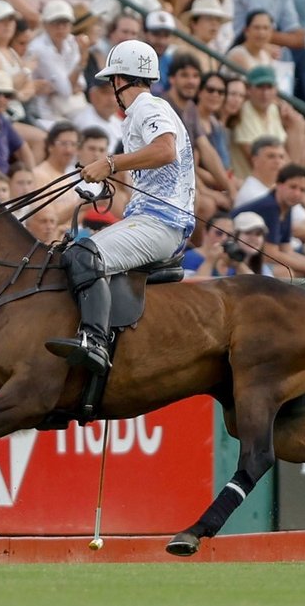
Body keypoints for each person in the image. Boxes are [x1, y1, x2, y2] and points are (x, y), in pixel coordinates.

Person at [48, 39, 195, 373]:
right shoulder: (139, 113)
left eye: (111, 80)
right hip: (150, 218)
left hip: (159, 223)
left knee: (83, 255)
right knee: (74, 249)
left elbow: (166, 150)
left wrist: (110, 163)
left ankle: (95, 341)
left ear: (118, 79)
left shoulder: (146, 106)